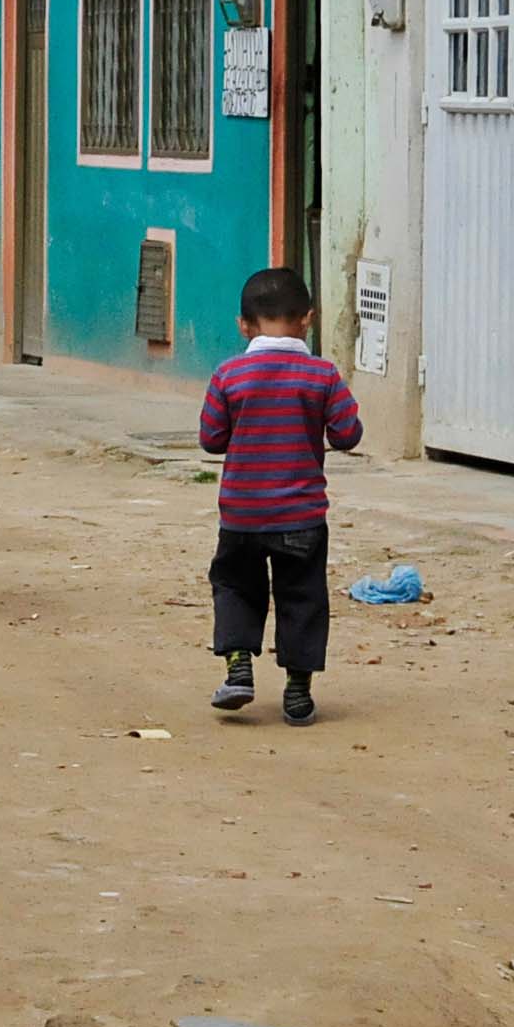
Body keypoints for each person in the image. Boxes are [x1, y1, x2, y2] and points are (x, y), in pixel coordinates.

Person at [196, 268, 364, 725]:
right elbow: (348, 434)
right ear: (307, 320)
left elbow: (211, 438)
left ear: (243, 325)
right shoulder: (321, 375)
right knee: (303, 597)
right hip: (302, 517)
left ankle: (238, 668)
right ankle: (298, 691)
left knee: (234, 586)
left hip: (242, 516)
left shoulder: (229, 374)